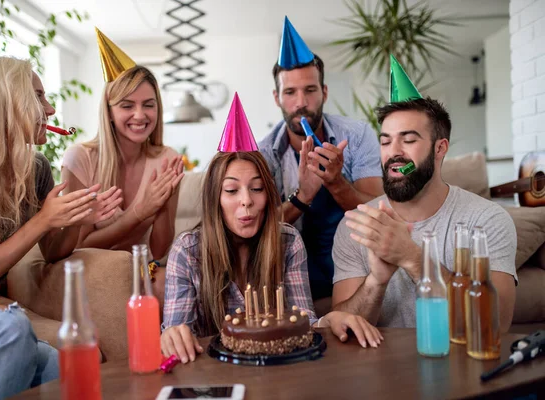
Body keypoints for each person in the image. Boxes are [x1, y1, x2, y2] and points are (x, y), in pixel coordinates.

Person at [0, 55, 120, 400]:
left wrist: (77, 219)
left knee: (58, 363)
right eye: (38, 96)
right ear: (5, 104)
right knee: (10, 330)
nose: (51, 109)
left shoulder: (36, 168)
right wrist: (43, 220)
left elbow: (54, 250)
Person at [161, 94, 382, 364]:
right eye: (231, 190)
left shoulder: (288, 241)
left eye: (257, 188)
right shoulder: (187, 251)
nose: (247, 200)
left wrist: (330, 319)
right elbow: (177, 334)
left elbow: (304, 326)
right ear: (214, 200)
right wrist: (172, 335)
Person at [331, 56, 517, 331]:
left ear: (440, 148)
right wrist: (376, 281)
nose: (394, 152)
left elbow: (494, 325)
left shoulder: (488, 220)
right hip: (382, 371)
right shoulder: (354, 227)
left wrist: (412, 257)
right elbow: (343, 328)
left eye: (408, 140)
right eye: (385, 141)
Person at [259, 17, 383, 313]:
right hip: (291, 275)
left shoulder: (358, 135)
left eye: (310, 90)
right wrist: (303, 197)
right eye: (290, 92)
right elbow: (259, 231)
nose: (301, 102)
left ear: (324, 92)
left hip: (354, 265)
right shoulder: (262, 154)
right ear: (277, 98)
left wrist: (336, 182)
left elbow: (376, 214)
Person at [62, 29, 183, 299]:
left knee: (169, 283)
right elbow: (79, 245)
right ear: (109, 112)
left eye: (148, 105)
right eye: (127, 105)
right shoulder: (79, 158)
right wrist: (140, 212)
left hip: (145, 270)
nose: (140, 115)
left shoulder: (167, 159)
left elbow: (161, 249)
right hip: (95, 271)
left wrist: (163, 202)